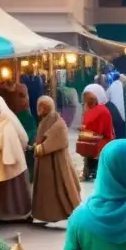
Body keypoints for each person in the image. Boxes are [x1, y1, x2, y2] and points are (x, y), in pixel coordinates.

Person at [32, 96, 82, 224]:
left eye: (44, 106)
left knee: (62, 190)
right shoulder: (44, 121)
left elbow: (59, 138)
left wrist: (42, 148)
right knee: (48, 192)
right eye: (39, 106)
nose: (41, 109)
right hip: (45, 163)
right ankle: (46, 215)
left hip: (57, 163)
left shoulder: (57, 121)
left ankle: (73, 214)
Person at [0, 96, 32, 222]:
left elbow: (6, 145)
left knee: (11, 187)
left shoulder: (6, 124)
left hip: (9, 161)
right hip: (3, 159)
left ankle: (14, 215)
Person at [79, 84, 115, 181]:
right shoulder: (90, 110)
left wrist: (86, 133)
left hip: (103, 140)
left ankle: (93, 171)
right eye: (86, 98)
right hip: (94, 138)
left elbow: (100, 131)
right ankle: (89, 170)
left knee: (88, 143)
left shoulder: (102, 111)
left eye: (90, 98)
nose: (87, 101)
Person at [16, 84, 39, 182]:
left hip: (27, 142)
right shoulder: (17, 112)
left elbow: (32, 130)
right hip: (23, 141)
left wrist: (26, 141)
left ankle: (30, 177)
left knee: (29, 158)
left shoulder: (26, 114)